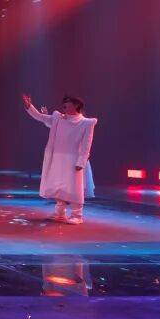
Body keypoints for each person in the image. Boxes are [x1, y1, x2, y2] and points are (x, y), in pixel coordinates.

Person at [22, 93, 97, 224]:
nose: (64, 105)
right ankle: (60, 213)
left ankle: (77, 215)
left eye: (67, 102)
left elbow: (86, 145)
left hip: (74, 159)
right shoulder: (59, 118)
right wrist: (29, 106)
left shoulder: (86, 123)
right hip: (58, 158)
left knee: (75, 186)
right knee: (59, 185)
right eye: (64, 102)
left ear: (76, 105)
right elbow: (41, 117)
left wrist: (81, 161)